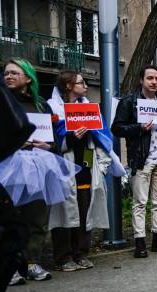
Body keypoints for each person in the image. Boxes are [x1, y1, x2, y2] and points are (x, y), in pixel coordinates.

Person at [47, 70, 125, 271]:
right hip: (65, 162)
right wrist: (72, 137)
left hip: (87, 160)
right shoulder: (53, 108)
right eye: (81, 83)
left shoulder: (90, 109)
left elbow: (102, 135)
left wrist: (102, 164)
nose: (86, 86)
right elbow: (52, 141)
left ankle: (81, 252)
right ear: (68, 86)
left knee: (85, 206)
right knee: (64, 210)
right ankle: (63, 257)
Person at [0, 59, 60, 284]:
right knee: (10, 217)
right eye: (6, 73)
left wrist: (49, 145)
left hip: (38, 166)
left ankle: (32, 261)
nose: (9, 76)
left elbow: (52, 137)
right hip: (8, 167)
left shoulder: (41, 105)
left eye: (15, 73)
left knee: (37, 217)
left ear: (28, 78)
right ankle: (9, 267)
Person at [112, 65, 157, 257]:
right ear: (141, 80)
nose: (154, 82)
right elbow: (116, 128)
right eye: (150, 78)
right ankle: (139, 242)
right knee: (139, 202)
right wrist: (138, 128)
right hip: (142, 159)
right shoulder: (130, 102)